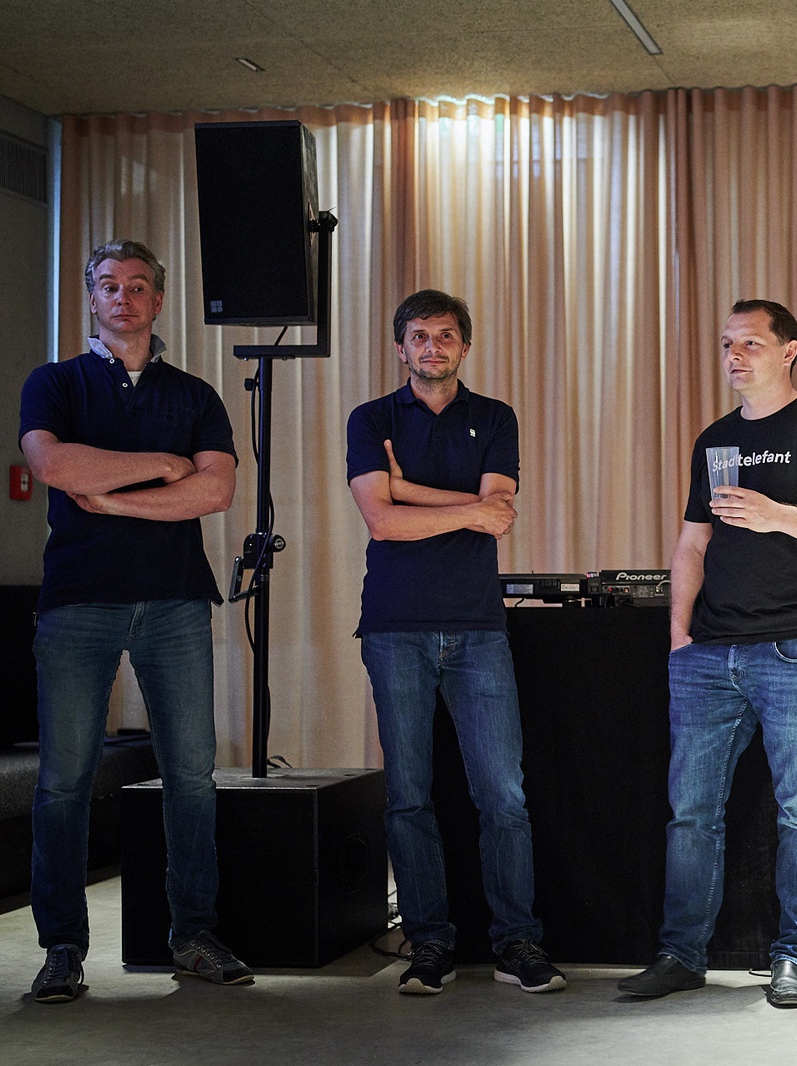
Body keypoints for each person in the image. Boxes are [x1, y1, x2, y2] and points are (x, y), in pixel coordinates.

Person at [618, 299, 797, 1008]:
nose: (734, 356)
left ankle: (794, 957)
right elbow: (693, 542)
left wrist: (776, 515)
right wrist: (679, 637)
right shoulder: (716, 439)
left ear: (789, 350)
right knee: (691, 811)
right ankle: (682, 954)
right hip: (709, 653)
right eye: (727, 344)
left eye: (751, 344)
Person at [19, 239, 250, 1002]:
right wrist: (162, 464)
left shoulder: (195, 395)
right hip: (78, 602)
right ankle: (62, 948)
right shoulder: (54, 382)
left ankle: (193, 935)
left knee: (192, 775)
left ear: (158, 299)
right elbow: (54, 466)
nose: (124, 297)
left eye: (139, 285)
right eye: (109, 285)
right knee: (63, 782)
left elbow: (214, 493)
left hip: (175, 600)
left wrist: (111, 498)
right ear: (91, 298)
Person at [347, 289, 564, 997]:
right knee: (409, 796)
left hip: (477, 629)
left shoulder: (494, 417)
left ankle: (517, 942)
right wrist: (453, 506)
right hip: (394, 626)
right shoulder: (371, 419)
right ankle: (430, 942)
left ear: (464, 346)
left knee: (503, 794)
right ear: (400, 347)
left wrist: (409, 491)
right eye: (419, 335)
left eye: (445, 335)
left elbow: (499, 515)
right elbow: (382, 523)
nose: (432, 347)